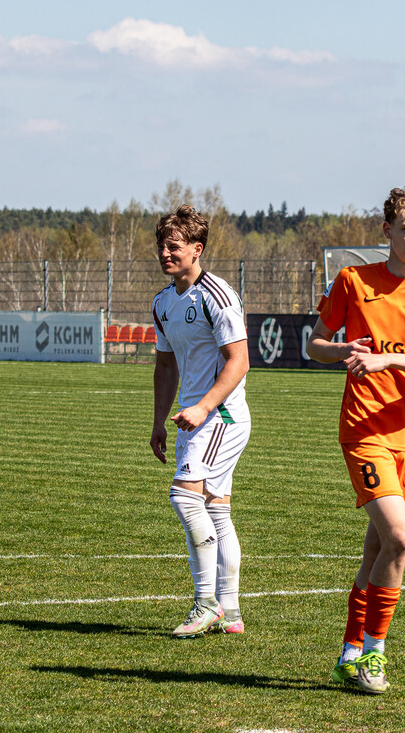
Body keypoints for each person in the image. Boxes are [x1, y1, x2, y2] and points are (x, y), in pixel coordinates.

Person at [307, 181, 405, 695]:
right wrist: (343, 350)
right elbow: (315, 345)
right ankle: (374, 654)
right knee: (399, 537)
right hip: (365, 429)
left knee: (379, 546)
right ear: (387, 231)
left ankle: (348, 655)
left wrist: (386, 358)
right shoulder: (353, 280)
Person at [149, 205, 251, 640]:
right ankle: (230, 610)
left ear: (197, 249)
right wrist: (158, 421)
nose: (165, 253)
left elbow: (239, 360)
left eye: (174, 246)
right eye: (162, 245)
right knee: (216, 511)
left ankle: (206, 602)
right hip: (197, 417)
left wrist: (204, 407)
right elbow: (165, 365)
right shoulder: (162, 303)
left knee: (184, 498)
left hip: (220, 416)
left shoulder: (217, 295)